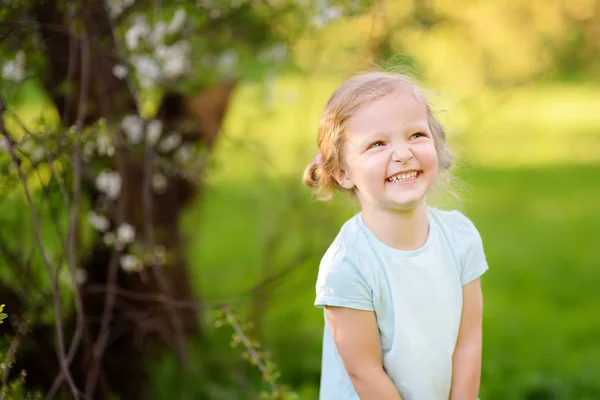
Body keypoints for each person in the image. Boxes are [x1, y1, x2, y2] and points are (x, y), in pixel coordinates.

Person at [303, 71, 489, 400]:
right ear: (343, 172)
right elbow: (364, 371)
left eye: (416, 135)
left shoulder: (460, 238)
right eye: (378, 144)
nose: (402, 153)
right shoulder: (348, 266)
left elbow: (468, 341)